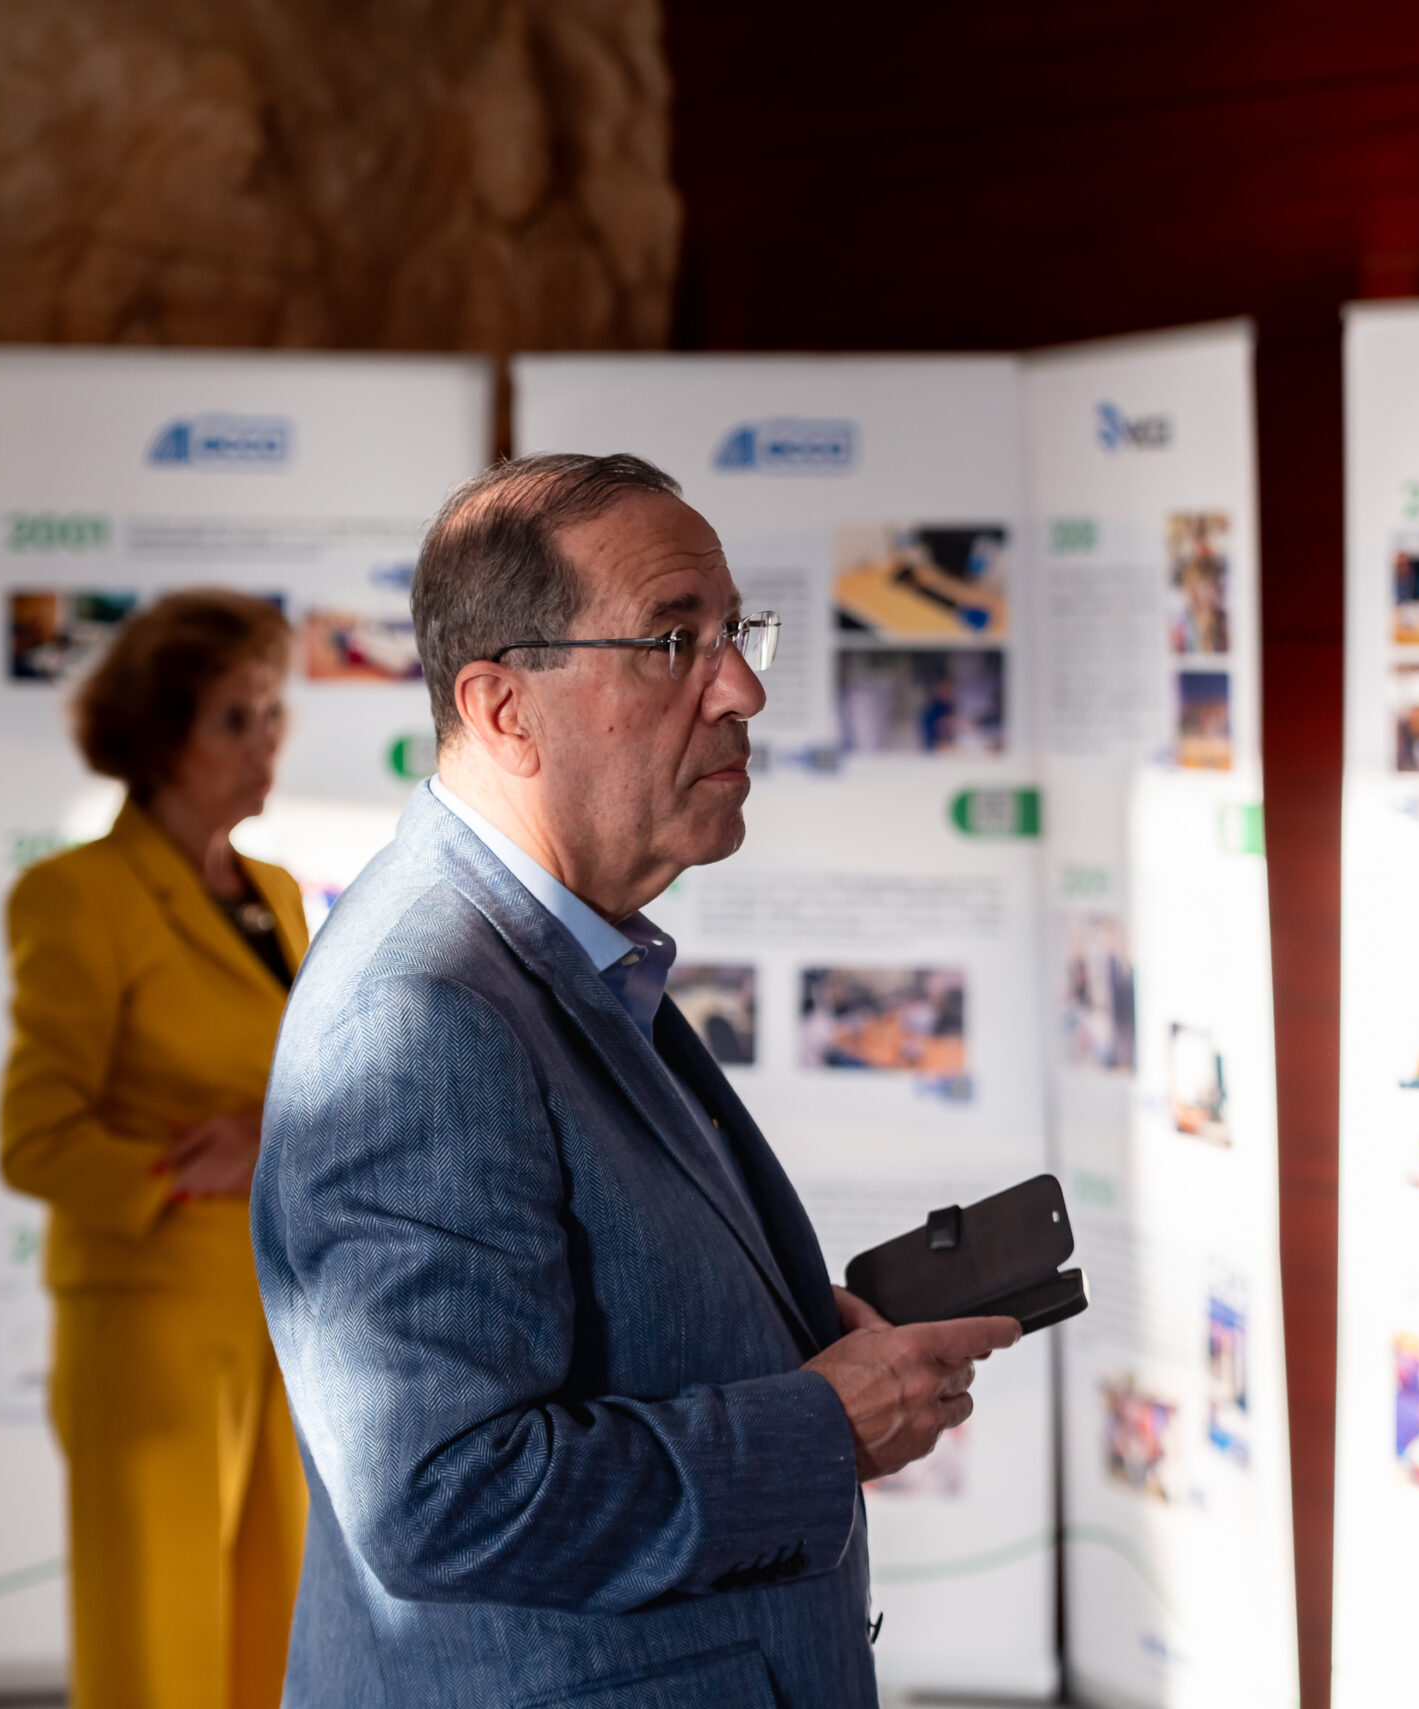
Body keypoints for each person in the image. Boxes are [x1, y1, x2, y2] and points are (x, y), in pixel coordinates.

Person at [253, 454, 1022, 1707]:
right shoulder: (419, 1010)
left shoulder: (562, 953)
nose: (744, 688)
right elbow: (443, 1496)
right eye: (673, 642)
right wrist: (818, 1426)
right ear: (503, 708)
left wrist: (789, 1349)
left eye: (734, 633)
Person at [0, 591, 308, 1709]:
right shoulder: (77, 896)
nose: (264, 743)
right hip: (149, 1336)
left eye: (271, 713)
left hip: (289, 1326)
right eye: (233, 718)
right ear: (159, 734)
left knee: (281, 1647)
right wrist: (185, 1170)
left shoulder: (277, 893)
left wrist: (277, 1138)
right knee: (156, 1657)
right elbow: (35, 1138)